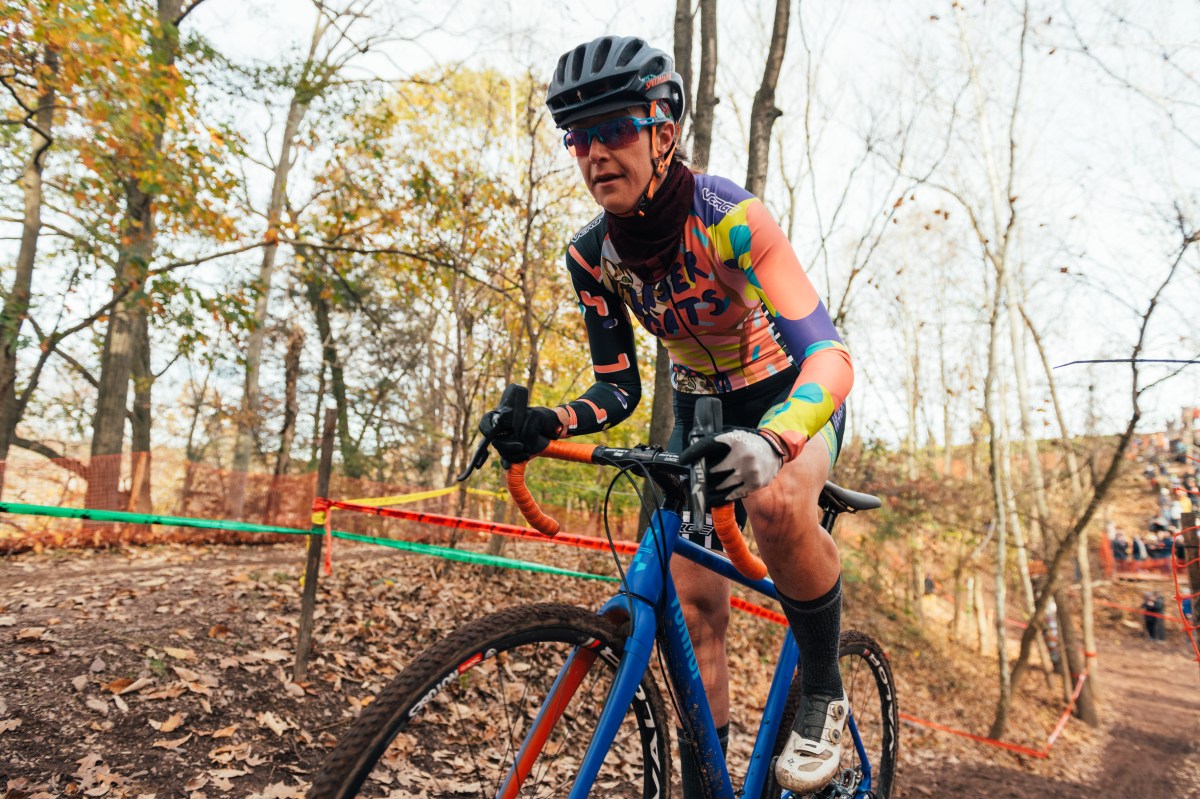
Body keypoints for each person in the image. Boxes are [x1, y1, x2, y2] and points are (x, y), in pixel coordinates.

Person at [481, 36, 854, 796]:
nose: (595, 153)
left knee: (776, 501)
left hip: (788, 397)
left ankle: (823, 688)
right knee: (693, 609)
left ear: (663, 131)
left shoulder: (731, 218)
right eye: (578, 138)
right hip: (698, 415)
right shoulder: (592, 256)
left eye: (615, 128)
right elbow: (617, 390)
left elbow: (831, 356)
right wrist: (550, 421)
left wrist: (775, 437)